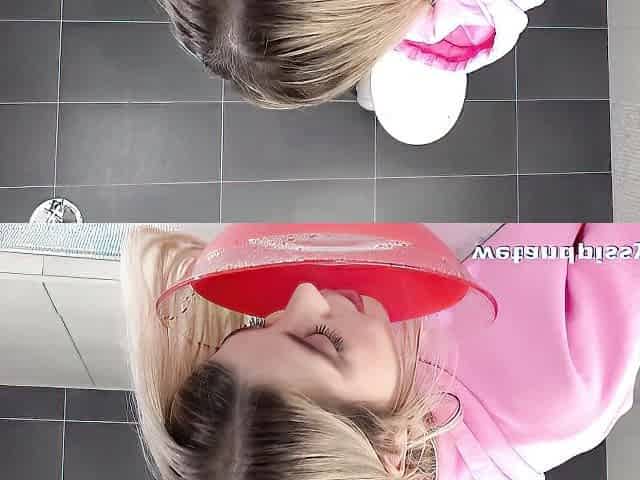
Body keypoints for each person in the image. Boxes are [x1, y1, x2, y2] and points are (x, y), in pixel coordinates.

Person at [122, 224, 640, 480]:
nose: (302, 295)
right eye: (322, 342)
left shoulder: (355, 350)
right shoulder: (560, 390)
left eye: (258, 326)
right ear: (391, 449)